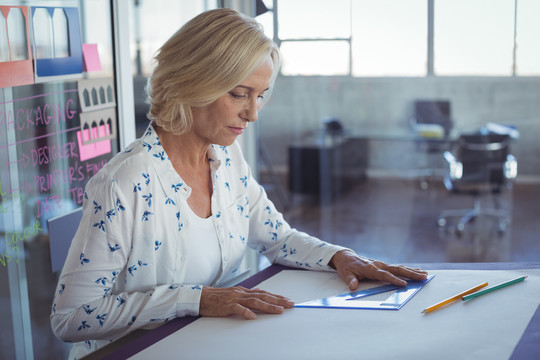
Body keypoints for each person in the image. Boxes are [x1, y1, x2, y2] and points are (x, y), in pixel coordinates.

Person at [51, 8, 427, 359]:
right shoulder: (124, 184)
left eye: (260, 96)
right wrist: (196, 300)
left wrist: (340, 257)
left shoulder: (227, 158)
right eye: (239, 94)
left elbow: (276, 238)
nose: (252, 113)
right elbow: (71, 318)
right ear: (192, 82)